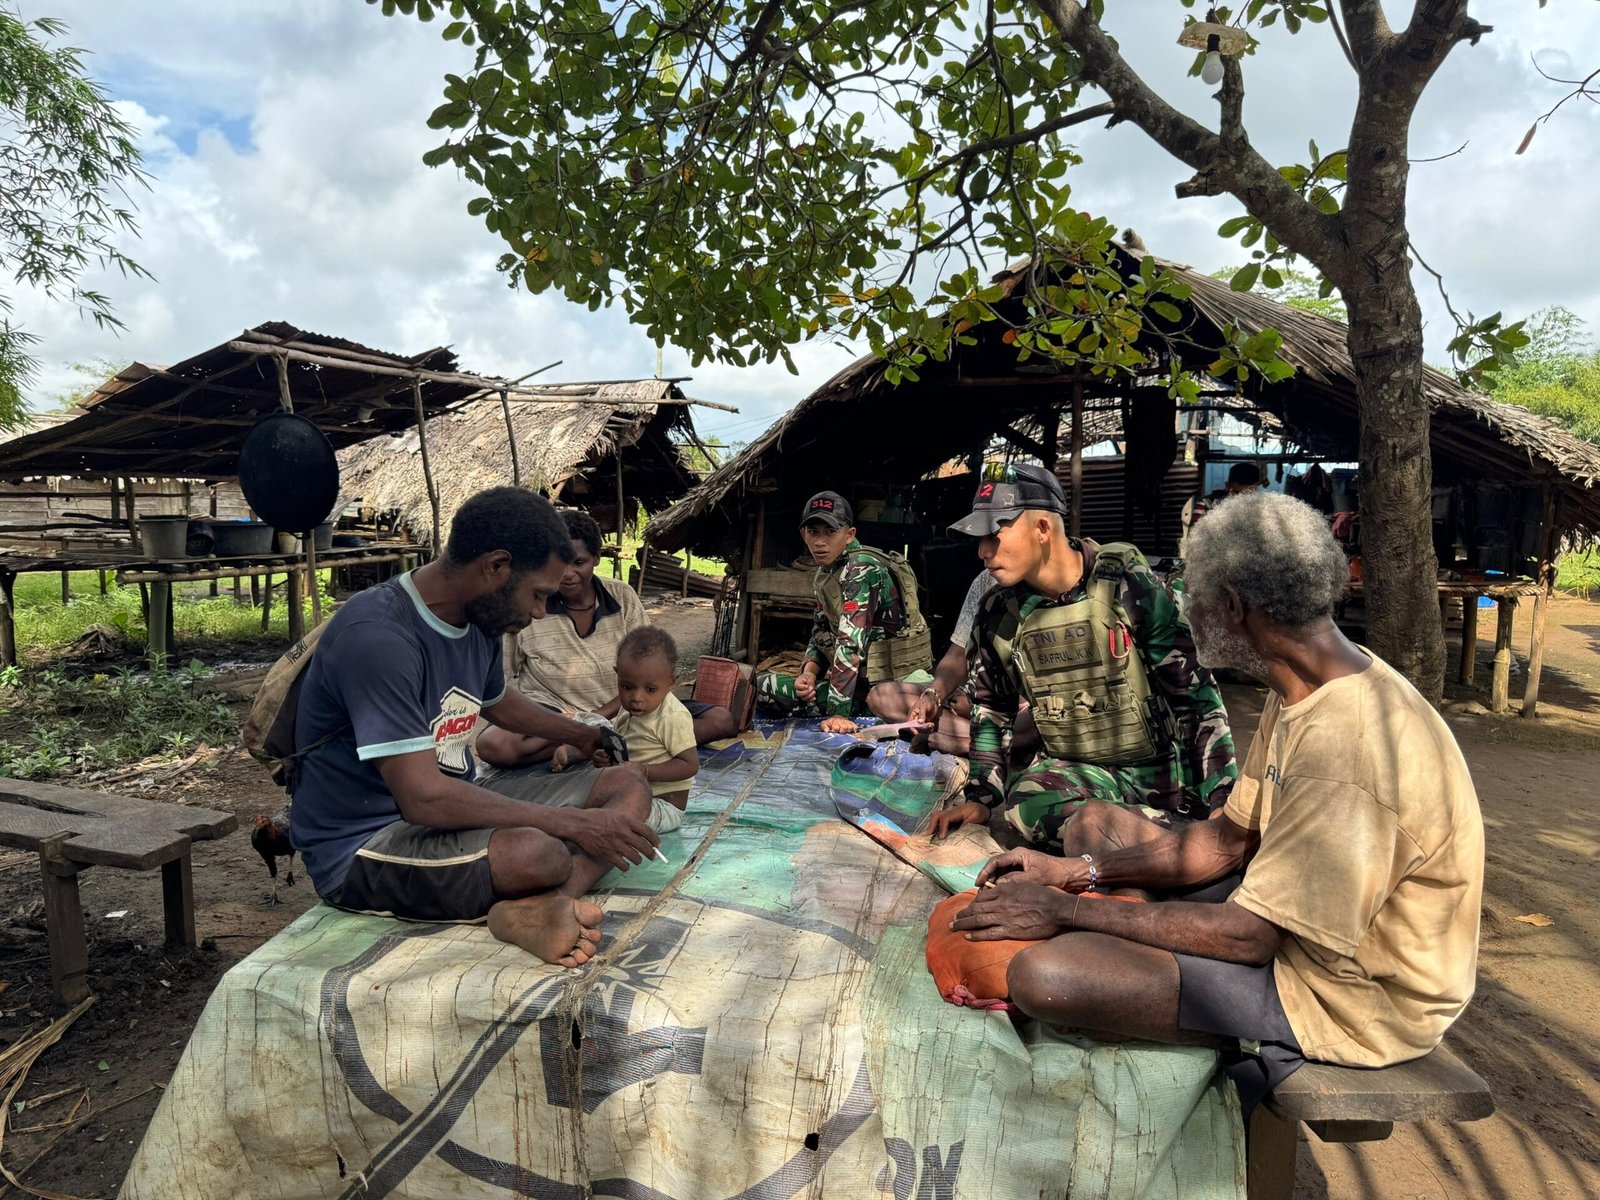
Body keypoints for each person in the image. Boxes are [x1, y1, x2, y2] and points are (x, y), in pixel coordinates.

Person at [950, 491, 1485, 1114]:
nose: (1185, 611)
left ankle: (1236, 1043)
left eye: (1193, 597)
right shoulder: (1306, 693)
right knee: (1095, 829)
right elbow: (1224, 841)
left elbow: (1249, 938)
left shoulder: (1349, 746)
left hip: (1350, 999)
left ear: (1232, 608)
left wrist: (1067, 913)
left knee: (1047, 977)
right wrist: (1076, 875)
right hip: (1295, 931)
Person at [289, 486, 659, 968]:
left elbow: (498, 702)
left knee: (628, 784)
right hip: (366, 842)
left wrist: (581, 734)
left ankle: (540, 906)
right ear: (496, 566)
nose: (541, 612)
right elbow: (422, 799)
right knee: (537, 852)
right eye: (539, 595)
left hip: (449, 810)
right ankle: (543, 888)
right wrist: (573, 823)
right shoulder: (380, 637)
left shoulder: (478, 620)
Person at [930, 462, 1236, 847]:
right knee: (1025, 806)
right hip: (1077, 772)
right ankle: (1156, 837)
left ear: (1042, 528)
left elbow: (1195, 699)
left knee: (1099, 829)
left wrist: (1220, 801)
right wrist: (981, 798)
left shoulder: (1128, 585)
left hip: (1159, 772)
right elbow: (992, 710)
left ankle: (1165, 833)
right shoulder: (998, 613)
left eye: (995, 532)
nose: (982, 550)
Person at [482, 509, 736, 766]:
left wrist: (601, 715)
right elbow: (502, 681)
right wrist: (568, 724)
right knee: (494, 746)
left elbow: (650, 663)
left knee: (721, 720)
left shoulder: (622, 597)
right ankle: (605, 743)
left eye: (578, 563)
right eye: (560, 562)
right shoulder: (532, 602)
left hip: (625, 709)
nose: (567, 573)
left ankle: (591, 745)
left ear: (596, 559)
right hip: (556, 715)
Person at [755, 491, 933, 734]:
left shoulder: (863, 569)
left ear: (849, 535)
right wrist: (808, 674)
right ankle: (851, 708)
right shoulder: (825, 574)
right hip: (856, 686)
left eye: (830, 532)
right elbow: (820, 632)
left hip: (891, 687)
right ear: (803, 535)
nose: (820, 541)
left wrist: (838, 712)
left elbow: (849, 644)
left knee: (873, 702)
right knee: (764, 686)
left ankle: (861, 711)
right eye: (813, 532)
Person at [525, 625, 700, 835]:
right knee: (579, 797)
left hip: (661, 806)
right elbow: (621, 750)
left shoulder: (673, 717)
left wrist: (643, 770)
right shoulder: (627, 712)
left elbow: (689, 765)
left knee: (608, 820)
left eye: (650, 689)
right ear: (617, 675)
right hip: (624, 790)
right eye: (627, 687)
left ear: (671, 683)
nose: (636, 697)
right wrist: (606, 759)